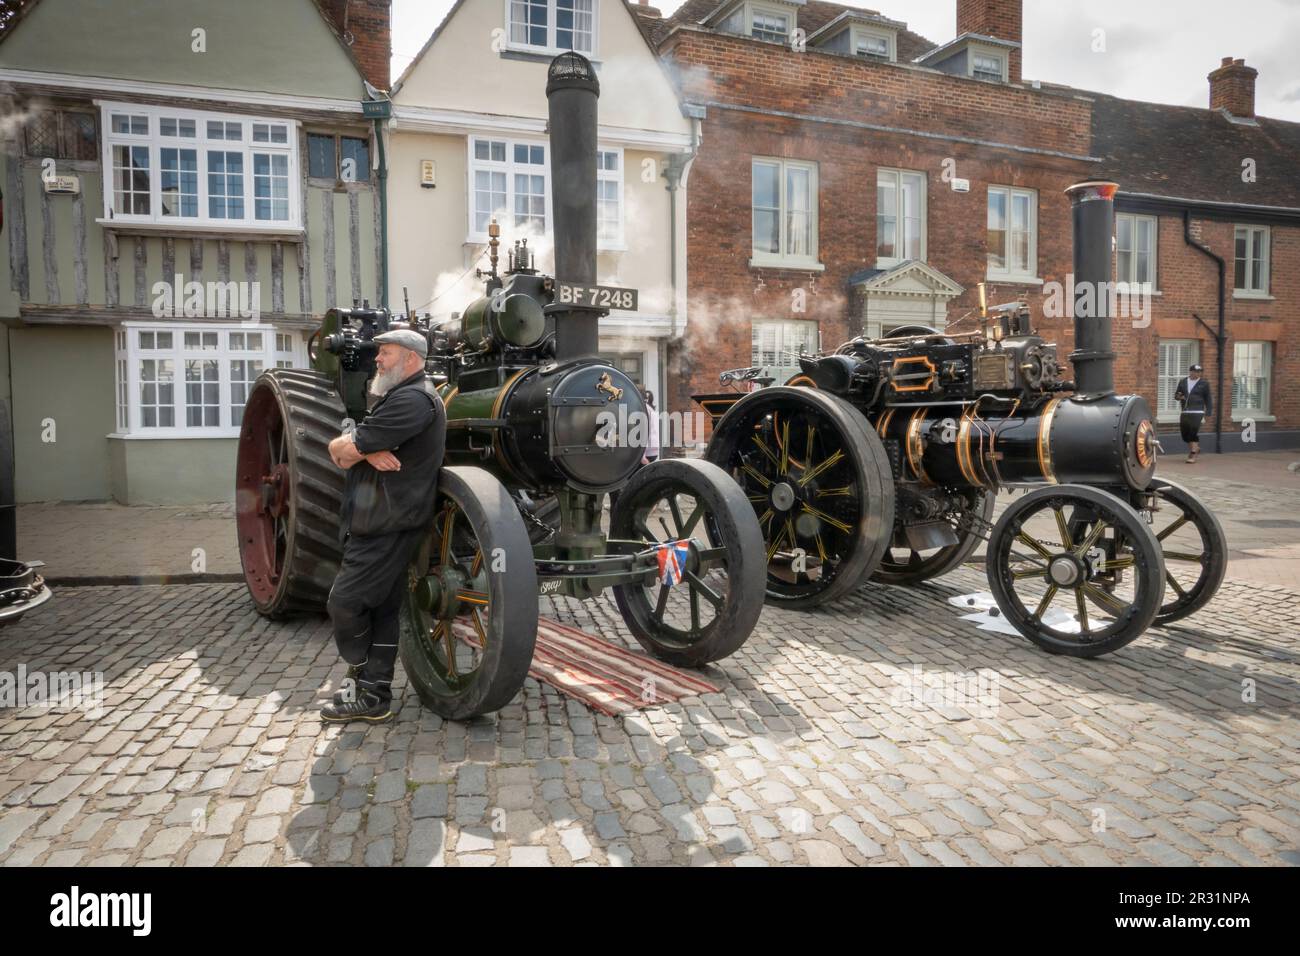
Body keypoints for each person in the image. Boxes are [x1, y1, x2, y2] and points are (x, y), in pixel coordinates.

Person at [321, 329, 445, 722]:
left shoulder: (411, 400)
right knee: (383, 608)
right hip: (386, 518)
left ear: (410, 358)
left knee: (345, 602)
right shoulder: (403, 396)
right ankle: (373, 694)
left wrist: (357, 450)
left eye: (385, 353)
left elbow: (340, 450)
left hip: (386, 522)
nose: (377, 359)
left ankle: (361, 671)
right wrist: (365, 451)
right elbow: (349, 444)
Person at [1174, 363, 1212, 464]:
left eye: (1199, 372)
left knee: (1193, 432)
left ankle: (1193, 453)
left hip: (1198, 411)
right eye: (1196, 371)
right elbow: (1176, 395)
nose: (1198, 374)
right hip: (1185, 411)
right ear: (1190, 372)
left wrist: (1208, 411)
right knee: (1185, 434)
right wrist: (1179, 397)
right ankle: (1196, 448)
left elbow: (1208, 398)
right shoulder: (1183, 382)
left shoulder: (1204, 383)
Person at [642, 389, 660, 465]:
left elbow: (645, 431)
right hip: (653, 450)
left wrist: (642, 455)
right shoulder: (652, 410)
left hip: (647, 452)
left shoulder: (645, 410)